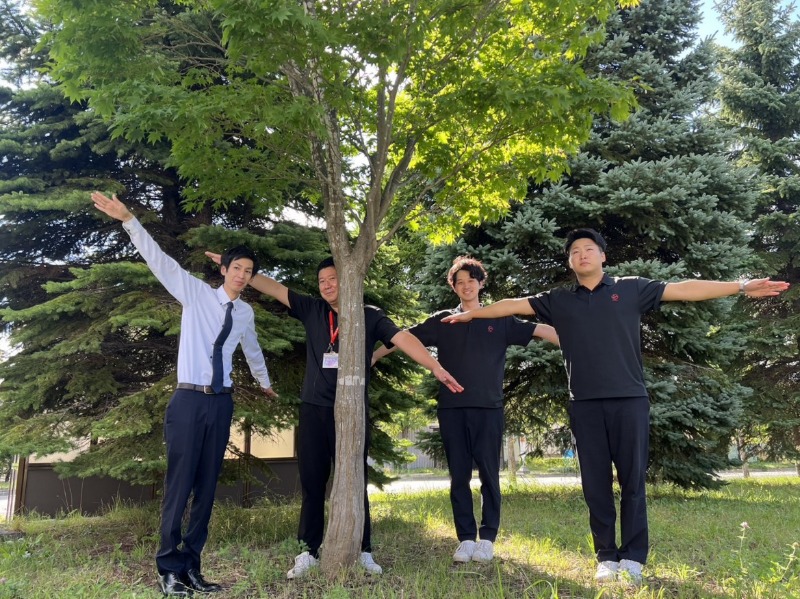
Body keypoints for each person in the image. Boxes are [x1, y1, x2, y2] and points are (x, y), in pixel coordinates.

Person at [442, 228, 790, 585]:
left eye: (588, 248)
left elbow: (684, 289)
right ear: (570, 262)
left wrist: (741, 286)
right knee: (595, 486)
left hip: (630, 400)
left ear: (602, 256)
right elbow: (513, 305)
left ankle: (634, 557)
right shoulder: (558, 300)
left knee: (632, 481)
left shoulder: (631, 289)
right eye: (575, 251)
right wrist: (473, 315)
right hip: (584, 404)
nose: (582, 254)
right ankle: (606, 557)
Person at [204, 252, 464, 579]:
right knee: (312, 484)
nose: (327, 286)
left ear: (348, 281)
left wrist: (436, 367)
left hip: (351, 412)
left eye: (333, 279)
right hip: (314, 410)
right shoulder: (313, 309)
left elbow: (403, 339)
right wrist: (238, 267)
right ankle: (307, 552)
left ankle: (364, 550)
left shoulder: (370, 315)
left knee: (355, 481)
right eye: (322, 281)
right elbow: (275, 289)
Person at [91, 192, 278, 597]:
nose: (242, 275)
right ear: (223, 269)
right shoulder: (195, 294)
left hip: (221, 403)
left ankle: (192, 566)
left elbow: (252, 350)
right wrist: (128, 220)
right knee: (179, 486)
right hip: (189, 401)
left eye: (248, 271)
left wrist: (264, 382)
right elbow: (161, 261)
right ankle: (168, 568)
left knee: (207, 488)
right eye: (236, 268)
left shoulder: (245, 313)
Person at [372, 256, 559, 564]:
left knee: (489, 475)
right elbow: (403, 337)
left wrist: (577, 342)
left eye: (471, 280)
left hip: (489, 409)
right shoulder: (443, 320)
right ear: (454, 287)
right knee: (458, 476)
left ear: (480, 283)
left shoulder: (499, 319)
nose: (466, 286)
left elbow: (540, 329)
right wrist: (375, 355)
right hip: (452, 410)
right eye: (460, 282)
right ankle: (466, 539)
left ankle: (487, 539)